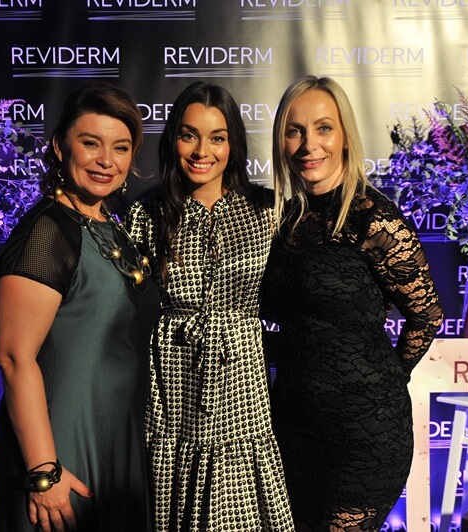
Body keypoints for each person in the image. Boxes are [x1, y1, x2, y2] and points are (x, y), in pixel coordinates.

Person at [260, 75, 444, 531]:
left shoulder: (374, 219)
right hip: (290, 428)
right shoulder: (286, 220)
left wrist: (384, 380)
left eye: (323, 128)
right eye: (295, 130)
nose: (309, 145)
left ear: (345, 136)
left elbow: (426, 316)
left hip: (363, 433)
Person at [0, 82, 160, 532]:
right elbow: (13, 357)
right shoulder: (47, 231)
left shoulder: (109, 224)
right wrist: (44, 472)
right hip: (61, 454)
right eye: (90, 143)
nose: (106, 160)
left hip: (114, 444)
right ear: (59, 146)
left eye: (120, 148)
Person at [126, 81, 295, 531]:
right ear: (173, 141)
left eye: (217, 137)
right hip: (172, 379)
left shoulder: (268, 209)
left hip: (241, 376)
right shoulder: (146, 214)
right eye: (189, 135)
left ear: (233, 143)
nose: (202, 151)